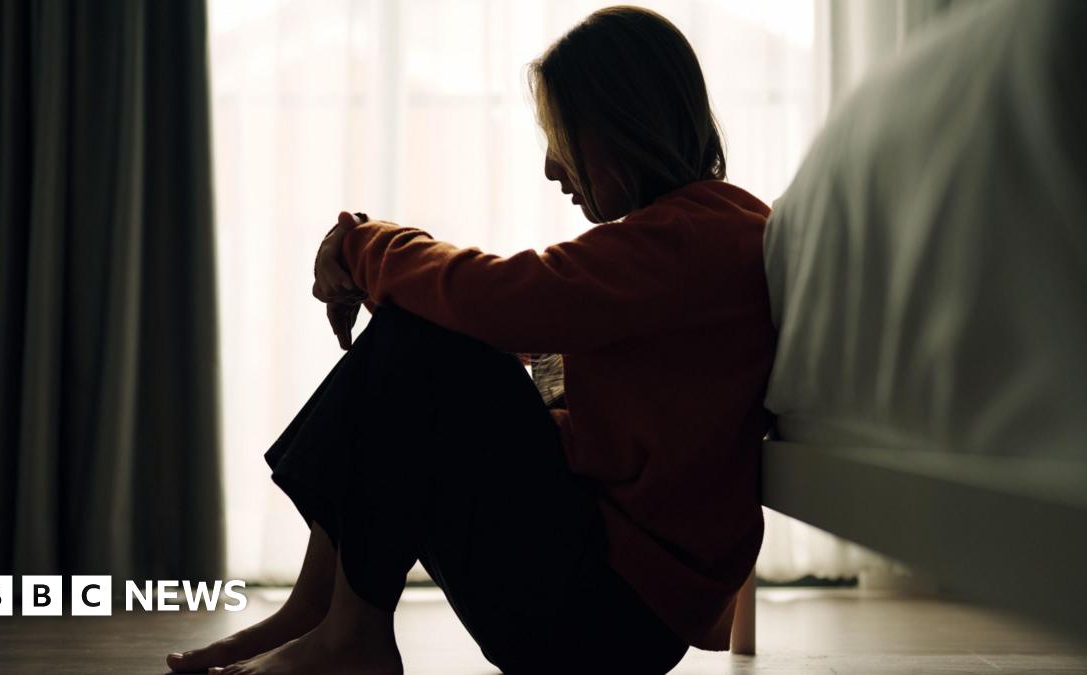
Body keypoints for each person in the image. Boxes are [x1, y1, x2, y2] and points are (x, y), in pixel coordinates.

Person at [166, 6, 775, 674]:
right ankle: (322, 613)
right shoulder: (692, 237)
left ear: (618, 125)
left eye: (562, 135)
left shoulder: (694, 239)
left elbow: (505, 299)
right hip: (607, 600)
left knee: (426, 335)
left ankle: (348, 635)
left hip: (607, 618)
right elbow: (534, 338)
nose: (551, 167)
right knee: (433, 332)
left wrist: (359, 244)